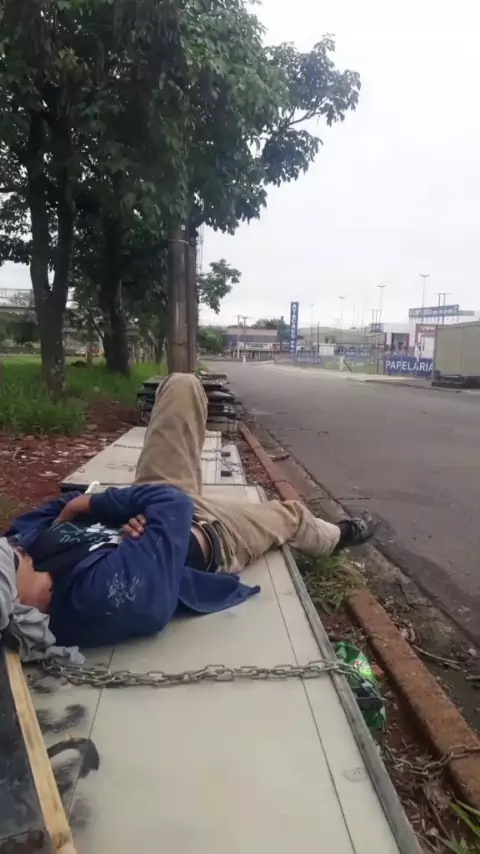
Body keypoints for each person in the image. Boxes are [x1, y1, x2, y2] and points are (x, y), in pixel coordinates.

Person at [4, 374, 373, 649]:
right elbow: (173, 505)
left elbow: (61, 506)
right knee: (289, 514)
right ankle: (335, 538)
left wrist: (83, 506)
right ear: (15, 598)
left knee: (181, 385)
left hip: (153, 506)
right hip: (211, 531)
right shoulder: (92, 600)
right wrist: (95, 508)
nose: (14, 547)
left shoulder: (23, 546)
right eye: (12, 558)